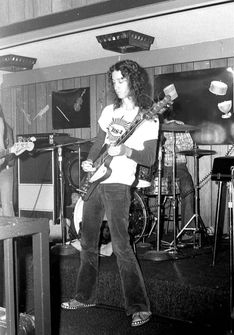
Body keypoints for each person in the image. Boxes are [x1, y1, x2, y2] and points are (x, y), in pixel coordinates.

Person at [61, 59, 160, 327]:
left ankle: (140, 307)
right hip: (96, 181)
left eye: (122, 80)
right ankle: (85, 296)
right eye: (114, 80)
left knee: (121, 246)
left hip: (118, 185)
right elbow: (99, 142)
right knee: (87, 241)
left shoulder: (147, 116)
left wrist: (126, 151)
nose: (116, 86)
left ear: (134, 81)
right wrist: (90, 161)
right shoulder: (109, 111)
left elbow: (149, 157)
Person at [161, 107, 194, 240]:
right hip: (162, 167)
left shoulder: (181, 126)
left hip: (180, 166)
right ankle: (151, 227)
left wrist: (178, 148)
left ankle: (188, 230)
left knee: (188, 190)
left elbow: (190, 145)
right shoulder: (157, 128)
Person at [0, 104, 15, 216]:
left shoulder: (5, 127)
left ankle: (13, 233)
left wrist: (6, 153)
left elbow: (10, 156)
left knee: (6, 205)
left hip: (5, 169)